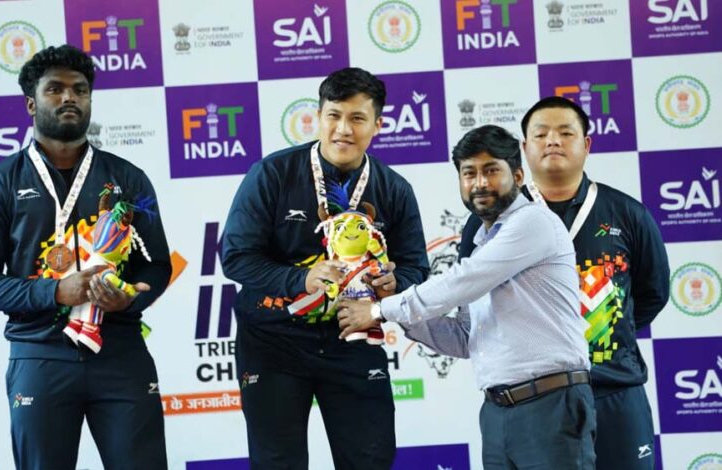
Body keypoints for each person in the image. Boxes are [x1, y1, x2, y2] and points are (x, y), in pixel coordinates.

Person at [0, 45, 171, 470]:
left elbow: (157, 265)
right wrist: (55, 291)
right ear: (31, 104)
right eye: (55, 89)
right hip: (40, 355)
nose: (70, 97)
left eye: (80, 89)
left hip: (120, 352)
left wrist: (130, 299)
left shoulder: (127, 178)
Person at [338, 125, 596, 469]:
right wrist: (396, 301)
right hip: (497, 411)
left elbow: (463, 281)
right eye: (469, 173)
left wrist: (378, 310)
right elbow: (463, 337)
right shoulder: (481, 243)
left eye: (491, 170)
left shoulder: (533, 221)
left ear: (518, 176)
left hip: (550, 405)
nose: (480, 183)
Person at [221, 67, 430, 469]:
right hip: (273, 341)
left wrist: (394, 283)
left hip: (354, 339)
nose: (343, 129)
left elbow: (416, 267)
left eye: (357, 118)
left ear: (377, 125)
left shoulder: (394, 189)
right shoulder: (272, 174)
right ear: (318, 117)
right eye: (334, 115)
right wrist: (300, 278)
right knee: (277, 464)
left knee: (370, 460)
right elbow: (236, 256)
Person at [457, 97, 670, 470]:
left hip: (614, 390)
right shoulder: (487, 221)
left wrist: (597, 334)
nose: (552, 141)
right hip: (535, 401)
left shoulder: (628, 214)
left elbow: (652, 293)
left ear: (586, 144)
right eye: (541, 134)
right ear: (524, 149)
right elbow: (471, 297)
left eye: (565, 133)